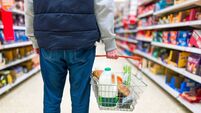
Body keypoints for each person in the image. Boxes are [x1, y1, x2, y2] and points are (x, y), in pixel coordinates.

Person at [25, 0, 118, 113]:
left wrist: (34, 40)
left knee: (52, 96)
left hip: (49, 41)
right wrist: (110, 43)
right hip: (82, 41)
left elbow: (29, 8)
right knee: (80, 97)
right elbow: (103, 6)